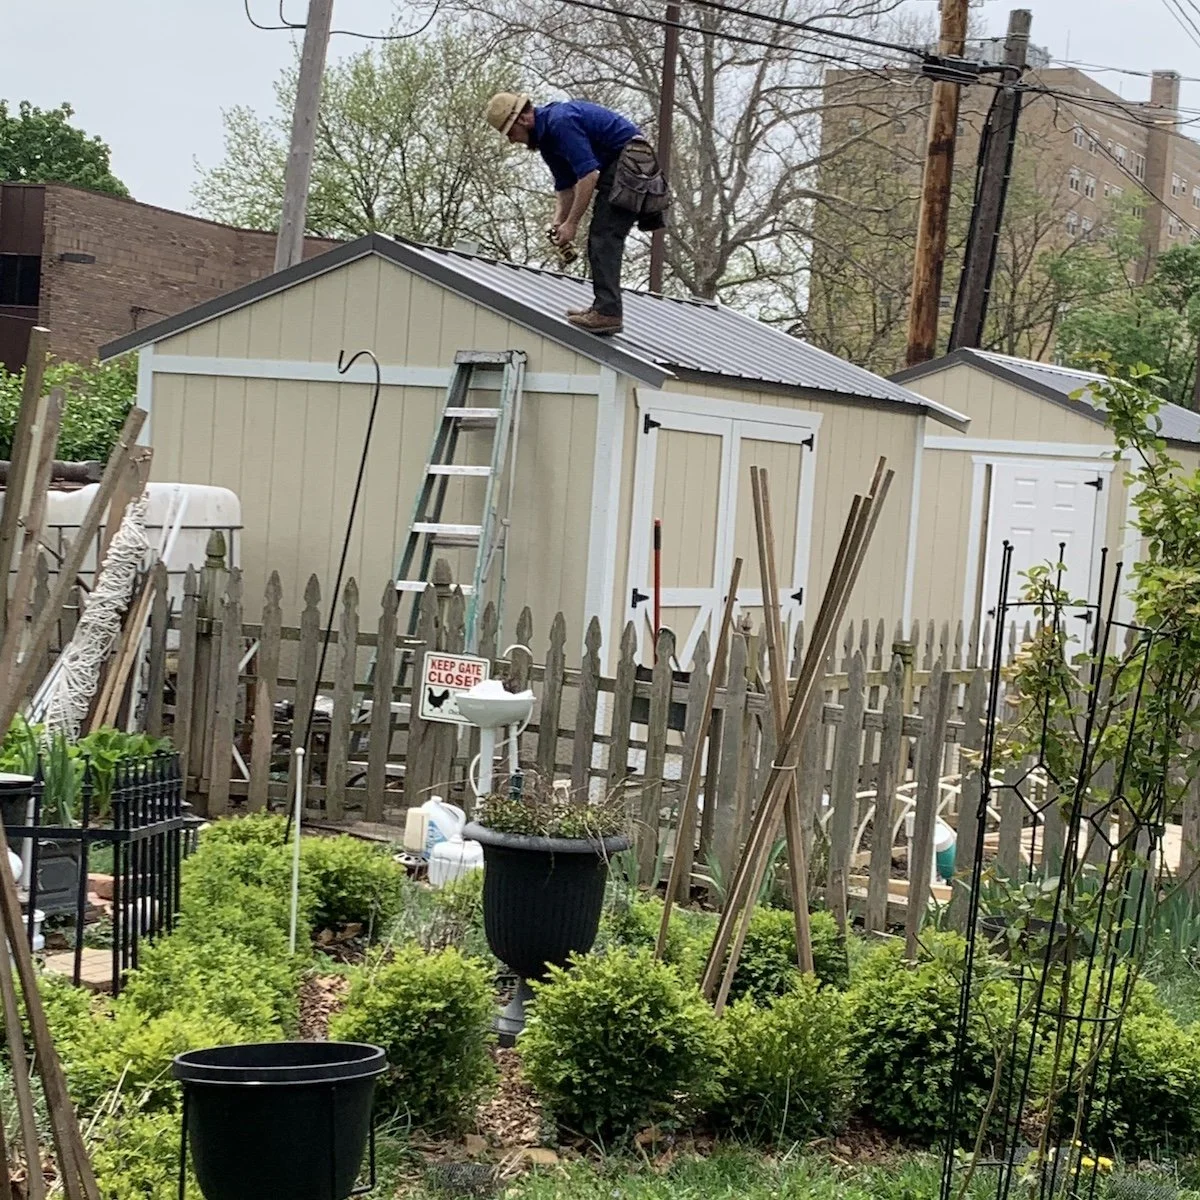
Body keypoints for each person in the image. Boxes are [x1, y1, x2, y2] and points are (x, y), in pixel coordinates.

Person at [486, 92, 670, 336]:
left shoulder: (560, 123)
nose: (512, 141)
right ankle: (603, 308)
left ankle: (607, 314)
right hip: (619, 165)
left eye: (510, 133)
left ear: (522, 120)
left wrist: (572, 224)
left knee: (603, 237)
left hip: (630, 162)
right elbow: (565, 187)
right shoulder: (547, 140)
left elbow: (588, 176)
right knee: (601, 236)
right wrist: (558, 222)